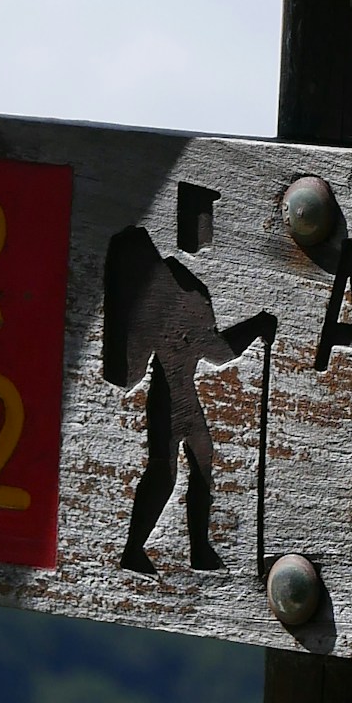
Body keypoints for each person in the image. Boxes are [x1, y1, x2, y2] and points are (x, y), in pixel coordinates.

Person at [103, 223, 274, 573]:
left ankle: (199, 548)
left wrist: (256, 326)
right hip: (166, 402)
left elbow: (221, 350)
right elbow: (221, 349)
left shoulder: (194, 325)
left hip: (187, 401)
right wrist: (255, 327)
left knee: (202, 464)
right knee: (164, 476)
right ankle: (133, 549)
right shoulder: (170, 316)